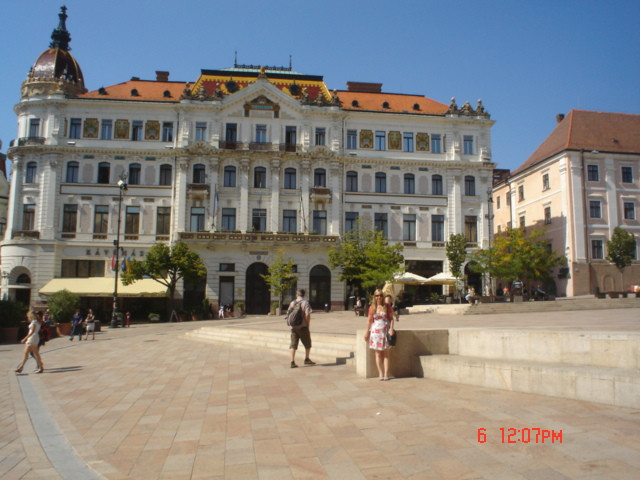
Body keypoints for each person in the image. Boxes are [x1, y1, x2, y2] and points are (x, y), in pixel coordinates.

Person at [364, 289, 396, 381]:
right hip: (375, 332)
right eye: (377, 295)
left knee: (386, 354)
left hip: (385, 331)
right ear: (374, 297)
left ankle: (386, 374)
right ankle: (380, 373)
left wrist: (391, 328)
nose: (379, 297)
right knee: (377, 354)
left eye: (380, 295)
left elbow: (391, 318)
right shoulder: (372, 307)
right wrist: (367, 331)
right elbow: (369, 320)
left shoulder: (387, 306)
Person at [288, 288, 315, 368]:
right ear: (304, 295)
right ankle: (307, 359)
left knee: (293, 344)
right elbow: (308, 315)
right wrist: (307, 324)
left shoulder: (292, 302)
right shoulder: (305, 303)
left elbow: (288, 313)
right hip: (303, 327)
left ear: (297, 294)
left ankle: (292, 362)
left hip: (293, 327)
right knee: (308, 343)